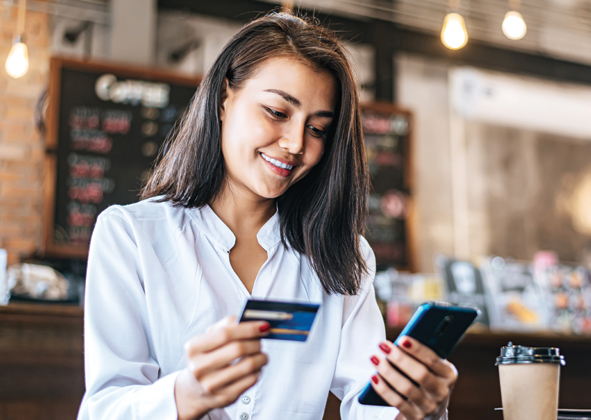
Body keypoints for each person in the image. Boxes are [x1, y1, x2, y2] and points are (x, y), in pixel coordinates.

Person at [77, 13, 458, 420]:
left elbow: (369, 407)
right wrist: (186, 394)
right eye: (277, 112)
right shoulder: (131, 236)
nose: (295, 143)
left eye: (318, 129)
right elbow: (103, 409)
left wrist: (416, 406)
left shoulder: (343, 257)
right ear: (225, 97)